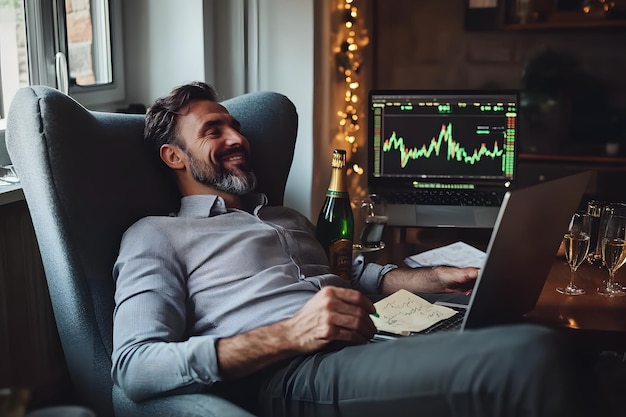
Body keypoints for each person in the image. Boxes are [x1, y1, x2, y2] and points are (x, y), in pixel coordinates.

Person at [111, 81, 584, 417]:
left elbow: (354, 274)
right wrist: (290, 335)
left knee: (562, 342)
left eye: (235, 127)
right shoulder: (155, 235)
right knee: (531, 354)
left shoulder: (285, 216)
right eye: (213, 131)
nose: (238, 139)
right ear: (174, 157)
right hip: (295, 373)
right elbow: (135, 368)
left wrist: (435, 278)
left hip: (375, 335)